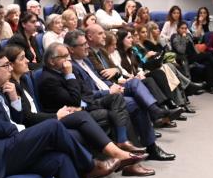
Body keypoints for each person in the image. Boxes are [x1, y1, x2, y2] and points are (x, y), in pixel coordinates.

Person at [4, 45, 148, 173]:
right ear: (11, 65)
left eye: (68, 56)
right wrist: (56, 115)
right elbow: (26, 117)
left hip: (68, 110)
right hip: (43, 123)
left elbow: (82, 93)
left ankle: (121, 151)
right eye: (22, 58)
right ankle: (116, 154)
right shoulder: (23, 84)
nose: (27, 61)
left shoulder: (23, 80)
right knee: (91, 115)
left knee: (116, 104)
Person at [64, 30, 176, 162]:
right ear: (71, 49)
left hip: (110, 88)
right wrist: (109, 91)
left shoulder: (86, 60)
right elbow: (84, 95)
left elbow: (100, 78)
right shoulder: (71, 68)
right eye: (83, 44)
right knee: (136, 103)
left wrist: (112, 85)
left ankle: (156, 111)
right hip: (102, 98)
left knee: (134, 82)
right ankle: (151, 146)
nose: (87, 46)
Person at [170, 21, 213, 92]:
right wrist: (183, 39)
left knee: (208, 63)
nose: (184, 30)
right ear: (178, 29)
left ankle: (210, 86)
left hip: (194, 56)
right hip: (184, 58)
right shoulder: (175, 37)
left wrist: (198, 52)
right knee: (208, 55)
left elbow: (193, 46)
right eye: (182, 28)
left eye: (185, 28)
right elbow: (181, 51)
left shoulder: (188, 35)